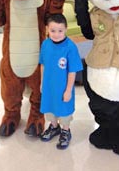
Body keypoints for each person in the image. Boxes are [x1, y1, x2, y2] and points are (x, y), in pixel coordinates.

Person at [39, 13, 83, 149]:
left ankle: (65, 131)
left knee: (64, 112)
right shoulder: (45, 44)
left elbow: (72, 70)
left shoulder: (70, 47)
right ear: (47, 29)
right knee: (50, 109)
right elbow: (43, 64)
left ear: (66, 29)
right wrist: (41, 82)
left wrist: (69, 90)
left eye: (60, 31)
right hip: (48, 86)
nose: (56, 34)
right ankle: (54, 127)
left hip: (63, 88)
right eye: (52, 31)